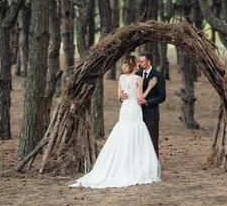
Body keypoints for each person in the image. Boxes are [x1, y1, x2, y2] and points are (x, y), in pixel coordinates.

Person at [69, 55, 160, 189]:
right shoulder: (138, 79)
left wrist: (123, 96)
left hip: (124, 109)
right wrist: (150, 87)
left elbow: (119, 96)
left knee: (122, 132)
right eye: (137, 62)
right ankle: (135, 164)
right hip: (134, 109)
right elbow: (140, 98)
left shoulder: (122, 78)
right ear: (134, 65)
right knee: (135, 132)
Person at [134, 52, 166, 158]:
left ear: (148, 62)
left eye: (141, 61)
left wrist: (147, 102)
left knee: (152, 140)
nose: (139, 63)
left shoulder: (158, 76)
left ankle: (154, 165)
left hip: (151, 115)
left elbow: (162, 96)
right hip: (137, 114)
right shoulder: (137, 75)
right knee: (138, 141)